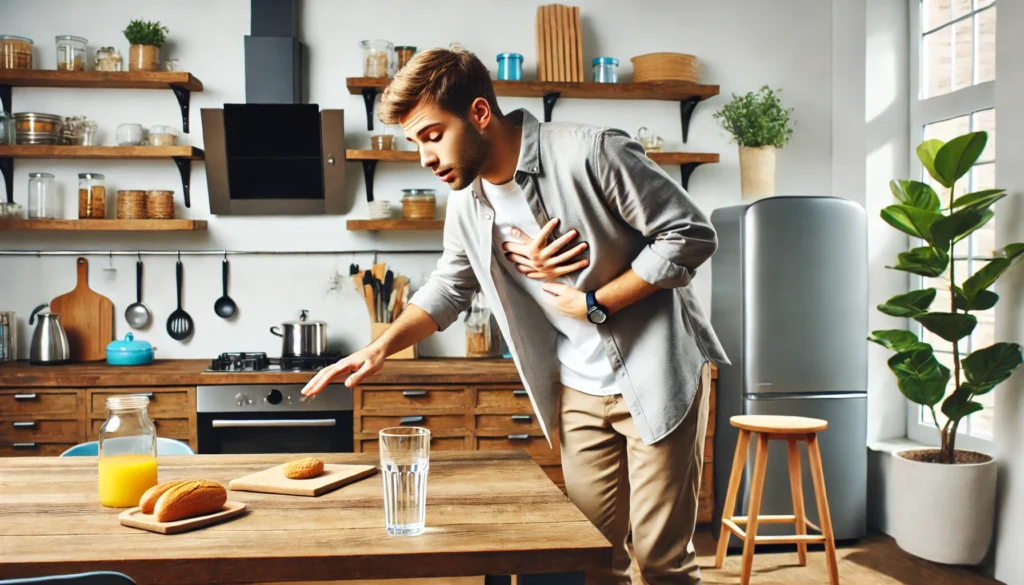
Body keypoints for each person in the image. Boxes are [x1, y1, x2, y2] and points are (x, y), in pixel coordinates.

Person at [301, 47, 729, 585]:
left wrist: (597, 302)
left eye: (432, 135)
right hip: (576, 389)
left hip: (656, 372)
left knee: (663, 563)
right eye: (415, 144)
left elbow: (690, 234)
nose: (426, 159)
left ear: (480, 113)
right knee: (591, 560)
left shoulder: (592, 152)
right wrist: (380, 346)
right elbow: (449, 287)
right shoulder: (467, 200)